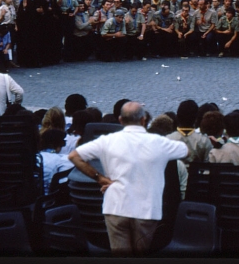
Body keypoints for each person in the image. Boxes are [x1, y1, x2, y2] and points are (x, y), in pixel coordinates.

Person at [69, 101, 188, 255]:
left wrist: (100, 179)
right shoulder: (158, 143)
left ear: (120, 120)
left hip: (116, 206)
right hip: (146, 207)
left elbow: (74, 156)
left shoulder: (107, 141)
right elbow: (185, 151)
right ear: (143, 120)